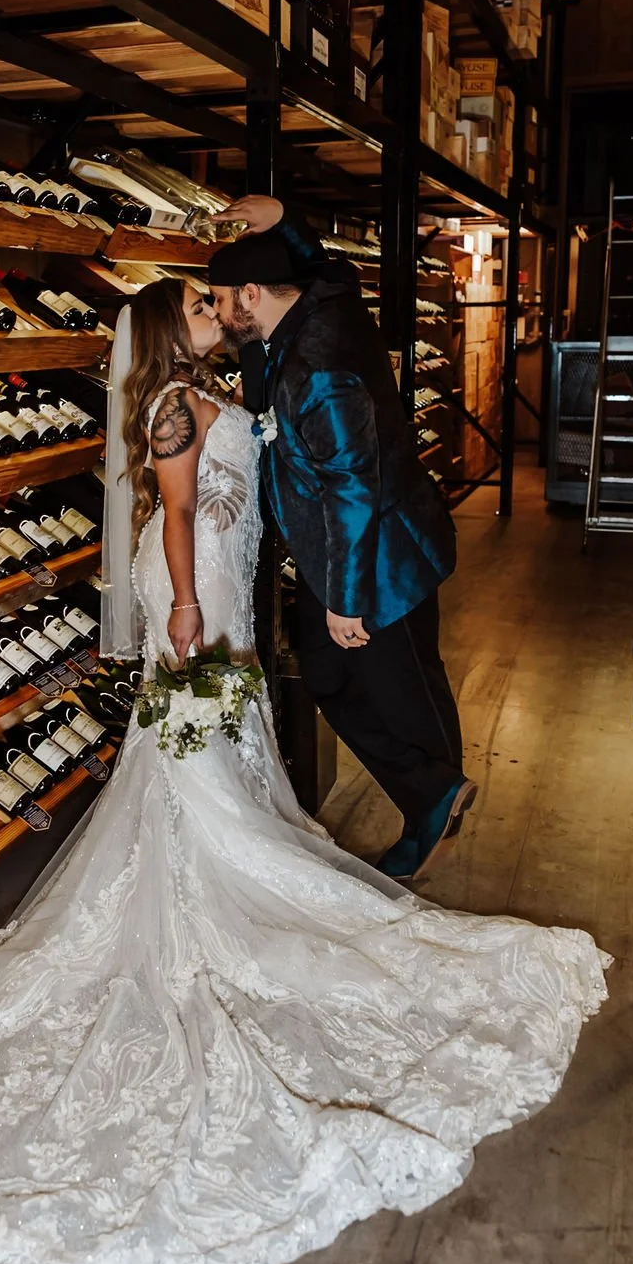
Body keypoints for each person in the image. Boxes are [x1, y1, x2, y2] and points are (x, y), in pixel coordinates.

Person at [0, 276, 609, 1264]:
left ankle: (222, 841)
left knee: (217, 740)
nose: (208, 311)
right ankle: (203, 864)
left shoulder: (200, 385)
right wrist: (183, 609)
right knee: (191, 743)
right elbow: (177, 515)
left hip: (223, 574)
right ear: (159, 329)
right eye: (192, 305)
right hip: (195, 582)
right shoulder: (176, 403)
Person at [210, 194, 469, 881]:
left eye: (219, 300)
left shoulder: (316, 367)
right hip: (343, 551)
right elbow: (328, 267)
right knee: (326, 672)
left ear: (253, 293)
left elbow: (353, 483)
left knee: (408, 684)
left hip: (383, 558)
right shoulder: (324, 303)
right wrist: (284, 220)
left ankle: (438, 799)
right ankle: (434, 791)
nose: (216, 314)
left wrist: (346, 599)